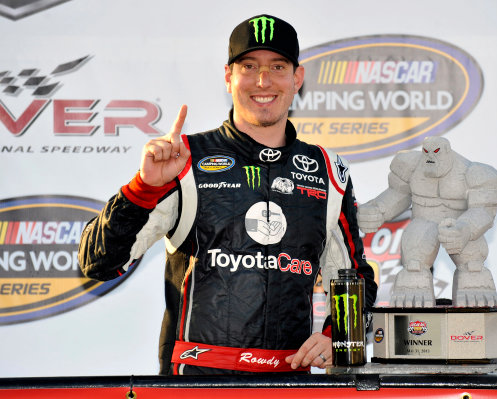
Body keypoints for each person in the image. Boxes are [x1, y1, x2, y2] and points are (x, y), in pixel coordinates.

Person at [78, 14, 377, 375]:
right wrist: (144, 187)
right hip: (198, 384)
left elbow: (352, 276)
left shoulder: (327, 170)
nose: (262, 81)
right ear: (228, 77)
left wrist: (338, 334)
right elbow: (98, 263)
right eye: (248, 66)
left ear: (297, 78)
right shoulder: (184, 159)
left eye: (277, 66)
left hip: (290, 385)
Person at [357, 136, 497, 307]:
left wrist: (465, 228)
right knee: (414, 267)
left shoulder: (474, 172)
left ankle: (475, 284)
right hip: (423, 222)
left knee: (472, 267)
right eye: (426, 151)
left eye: (436, 152)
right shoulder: (410, 166)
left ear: (447, 151)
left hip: (461, 224)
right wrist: (378, 210)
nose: (430, 156)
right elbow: (398, 193)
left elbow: (483, 209)